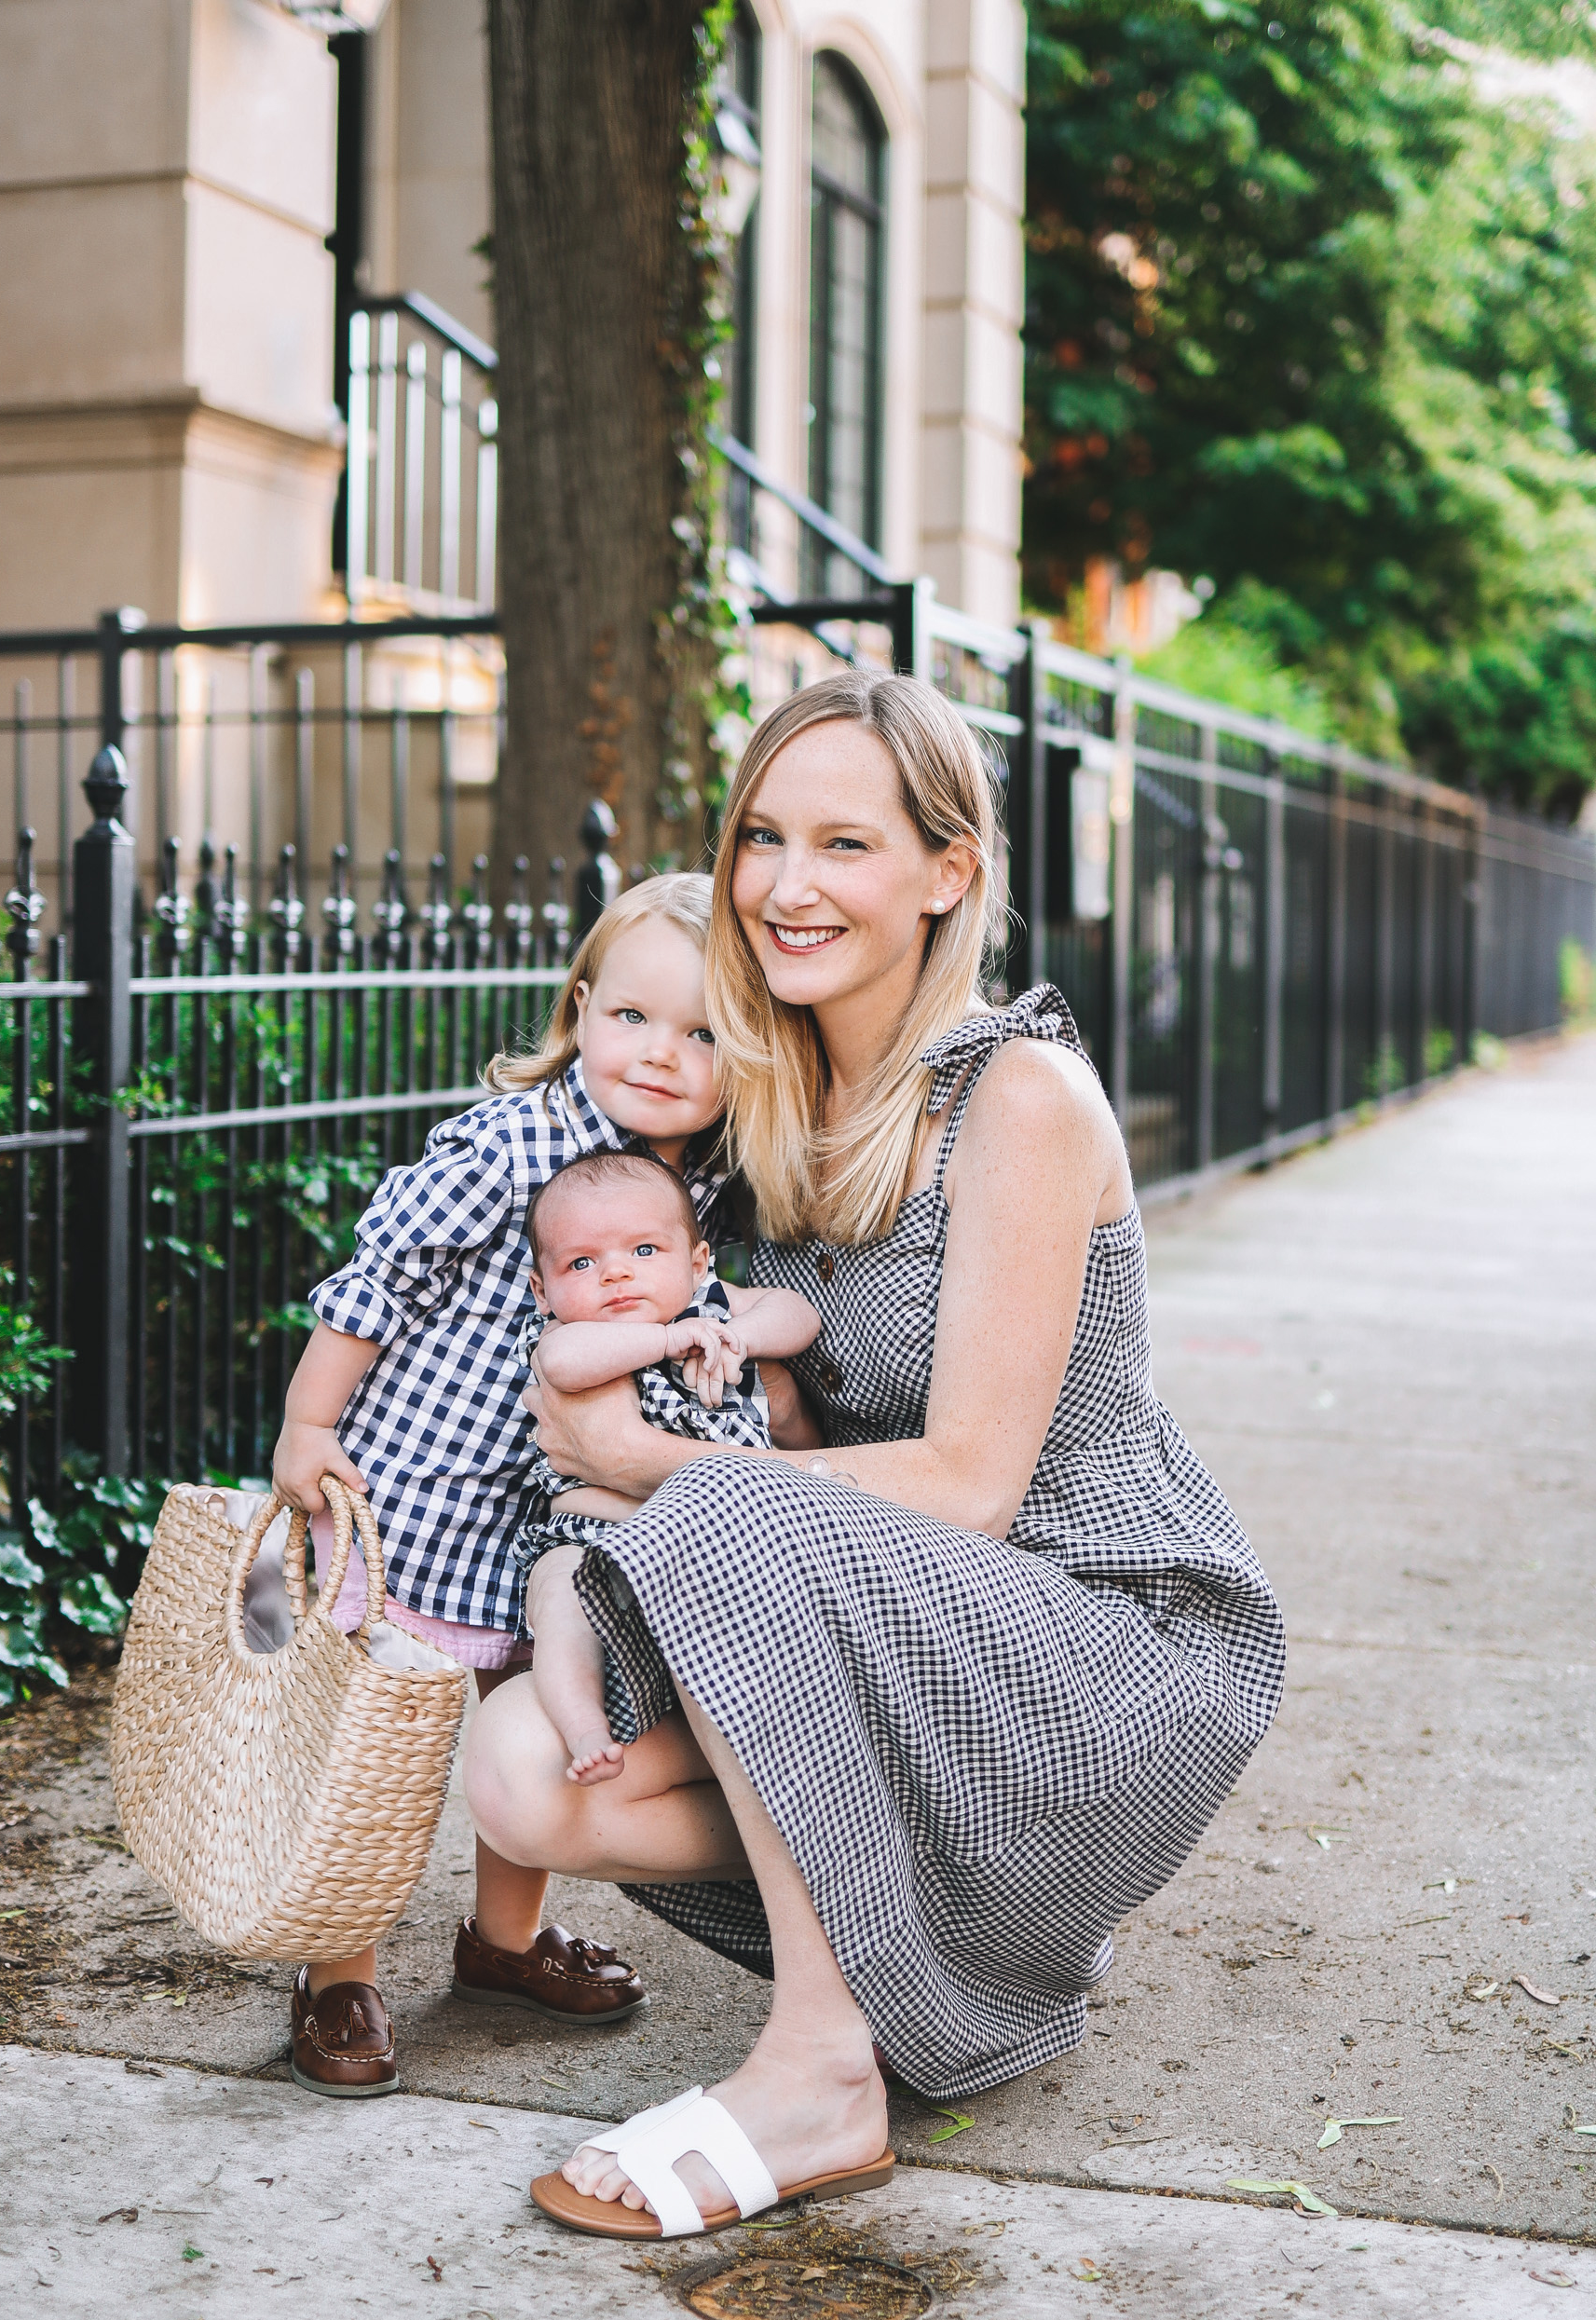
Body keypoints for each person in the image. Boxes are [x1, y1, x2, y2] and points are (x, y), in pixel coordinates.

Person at [464, 668, 1286, 2240]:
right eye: (762, 838)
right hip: (887, 1634)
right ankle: (959, 1921)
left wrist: (641, 1466)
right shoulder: (764, 1102)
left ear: (948, 871)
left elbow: (972, 1485)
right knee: (520, 1777)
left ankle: (824, 2065)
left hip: (1101, 1636)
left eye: (846, 844)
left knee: (716, 1515)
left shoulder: (1019, 1099)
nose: (784, 887)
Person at [268, 874, 731, 2095]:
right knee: (378, 1741)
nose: (662, 1055)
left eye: (705, 1034)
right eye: (632, 1016)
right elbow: (380, 1280)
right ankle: (339, 1971)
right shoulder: (510, 1144)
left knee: (521, 1717)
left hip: (547, 1519)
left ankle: (503, 1944)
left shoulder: (698, 1184)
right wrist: (308, 1421)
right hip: (412, 1499)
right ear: (581, 1006)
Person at [511, 1146, 819, 1784]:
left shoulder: (709, 1303)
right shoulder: (568, 1337)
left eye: (644, 1251)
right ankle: (584, 1727)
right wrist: (667, 1340)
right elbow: (565, 1367)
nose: (617, 1275)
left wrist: (744, 1337)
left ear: (698, 1260)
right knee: (559, 1603)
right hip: (590, 1539)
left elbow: (801, 1313)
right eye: (583, 1262)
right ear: (543, 1289)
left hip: (720, 1538)